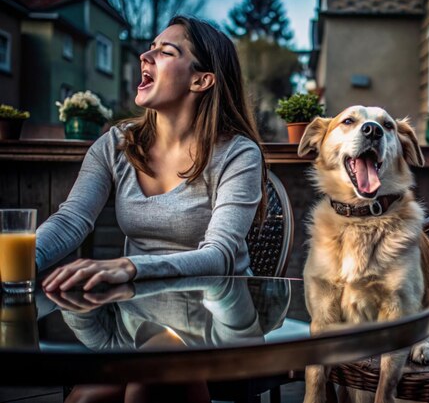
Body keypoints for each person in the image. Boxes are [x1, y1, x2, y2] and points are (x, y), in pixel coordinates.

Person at [39, 15, 267, 293]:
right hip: (140, 316)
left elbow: (220, 256)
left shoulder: (239, 154)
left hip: (220, 317)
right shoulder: (115, 144)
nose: (145, 56)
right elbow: (70, 221)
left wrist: (131, 267)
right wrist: (22, 261)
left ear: (201, 80)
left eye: (166, 52)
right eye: (151, 47)